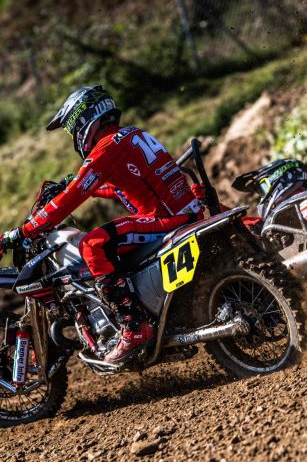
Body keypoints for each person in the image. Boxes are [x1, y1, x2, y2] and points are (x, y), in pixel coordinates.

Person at [0, 86, 204, 363]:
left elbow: (67, 202)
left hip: (167, 220)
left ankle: (134, 326)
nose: (73, 136)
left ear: (83, 122)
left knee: (93, 244)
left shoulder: (106, 148)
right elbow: (127, 187)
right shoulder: (131, 135)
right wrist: (90, 186)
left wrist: (20, 232)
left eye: (71, 129)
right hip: (183, 211)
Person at [193, 159, 307, 232]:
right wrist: (212, 203)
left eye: (262, 189)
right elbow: (240, 223)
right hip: (285, 271)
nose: (261, 197)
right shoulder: (266, 224)